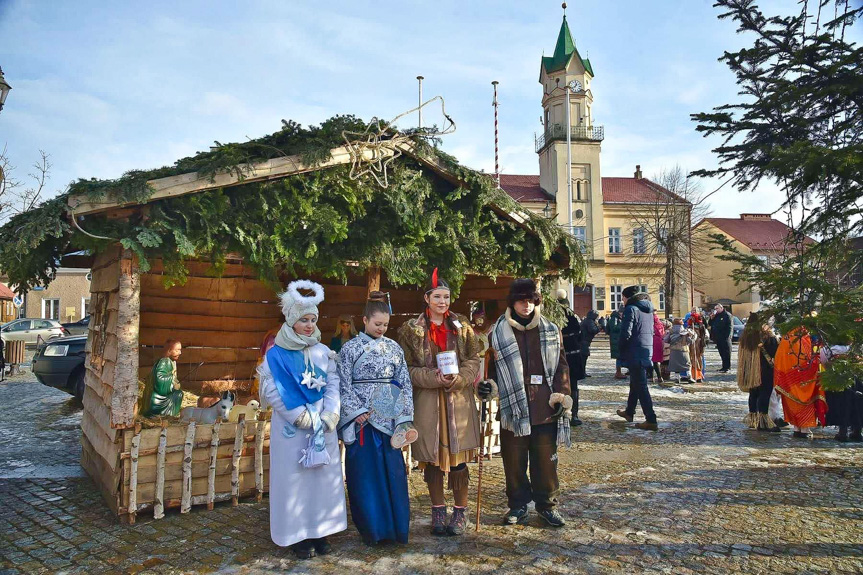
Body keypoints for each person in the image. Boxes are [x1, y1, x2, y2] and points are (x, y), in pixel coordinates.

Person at [256, 280, 346, 559]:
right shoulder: (276, 356)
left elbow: (333, 382)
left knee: (321, 480)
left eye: (313, 320)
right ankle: (297, 535)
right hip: (293, 429)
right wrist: (298, 416)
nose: (309, 325)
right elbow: (272, 389)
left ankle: (321, 530)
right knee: (295, 481)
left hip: (322, 426)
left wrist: (332, 412)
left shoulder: (322, 352)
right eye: (303, 320)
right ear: (291, 320)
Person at [396, 268, 482, 537]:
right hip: (429, 402)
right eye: (437, 297)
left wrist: (460, 379)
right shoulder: (411, 330)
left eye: (446, 297)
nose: (442, 302)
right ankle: (437, 510)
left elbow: (473, 359)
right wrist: (432, 378)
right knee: (432, 459)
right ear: (427, 298)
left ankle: (459, 511)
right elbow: (406, 368)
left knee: (457, 459)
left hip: (458, 401)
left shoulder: (463, 327)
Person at [482, 279, 572, 528]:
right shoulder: (497, 333)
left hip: (545, 408)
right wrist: (488, 387)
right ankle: (517, 505)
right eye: (522, 300)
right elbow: (490, 370)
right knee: (514, 461)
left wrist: (563, 394)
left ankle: (547, 505)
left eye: (531, 300)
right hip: (512, 408)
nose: (527, 305)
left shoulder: (551, 329)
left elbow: (562, 366)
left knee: (546, 462)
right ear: (513, 302)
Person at [338, 292, 415, 545]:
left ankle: (396, 529)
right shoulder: (349, 349)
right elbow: (342, 384)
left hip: (389, 419)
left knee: (393, 474)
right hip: (362, 423)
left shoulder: (394, 348)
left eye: (385, 325)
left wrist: (404, 418)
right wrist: (356, 412)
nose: (381, 329)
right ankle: (372, 530)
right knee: (364, 476)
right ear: (364, 320)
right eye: (376, 324)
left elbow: (404, 382)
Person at [615, 286, 658, 430]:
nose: (622, 300)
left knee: (641, 386)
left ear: (628, 298)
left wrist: (620, 349)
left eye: (622, 297)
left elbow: (625, 333)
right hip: (646, 351)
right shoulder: (648, 310)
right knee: (635, 383)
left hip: (635, 352)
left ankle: (651, 419)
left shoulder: (631, 309)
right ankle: (629, 412)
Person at [773, 328, 826, 438]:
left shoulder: (785, 340)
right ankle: (804, 429)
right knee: (805, 405)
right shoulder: (805, 340)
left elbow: (779, 360)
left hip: (788, 382)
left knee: (792, 405)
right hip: (803, 381)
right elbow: (809, 361)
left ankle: (797, 428)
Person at [736, 313, 780, 431]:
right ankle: (763, 422)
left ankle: (753, 420)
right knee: (764, 394)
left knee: (753, 394)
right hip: (765, 370)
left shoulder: (746, 337)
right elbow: (775, 353)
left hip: (750, 370)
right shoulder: (768, 337)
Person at [821, 344, 862, 443]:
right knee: (857, 404)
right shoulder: (858, 346)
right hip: (856, 378)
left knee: (842, 405)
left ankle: (842, 432)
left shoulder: (829, 348)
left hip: (838, 379)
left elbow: (824, 362)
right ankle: (857, 431)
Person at [557, 289, 584, 426]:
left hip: (560, 355)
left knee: (560, 385)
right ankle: (574, 414)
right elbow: (580, 336)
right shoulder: (573, 316)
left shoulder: (554, 317)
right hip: (573, 355)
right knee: (573, 386)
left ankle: (564, 413)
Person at [140, 339, 185, 417]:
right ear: (170, 350)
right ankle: (166, 415)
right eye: (177, 350)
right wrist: (172, 380)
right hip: (157, 399)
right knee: (178, 395)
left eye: (180, 350)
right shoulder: (164, 361)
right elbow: (159, 380)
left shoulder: (170, 361)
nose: (180, 353)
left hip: (160, 396)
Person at [665, 319, 696, 384]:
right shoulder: (685, 332)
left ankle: (677, 378)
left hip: (674, 351)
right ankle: (689, 377)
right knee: (687, 364)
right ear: (681, 324)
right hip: (683, 350)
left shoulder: (671, 331)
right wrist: (694, 336)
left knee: (676, 366)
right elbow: (691, 341)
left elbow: (666, 340)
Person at [711, 305, 733, 372]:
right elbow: (711, 324)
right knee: (721, 353)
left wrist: (727, 336)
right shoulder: (716, 315)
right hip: (718, 337)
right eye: (715, 309)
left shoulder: (727, 315)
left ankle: (727, 367)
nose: (716, 310)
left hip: (725, 337)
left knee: (726, 353)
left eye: (717, 308)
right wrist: (712, 318)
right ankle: (723, 367)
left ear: (721, 308)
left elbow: (730, 327)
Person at [580, 310, 601, 379]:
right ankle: (582, 373)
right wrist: (599, 327)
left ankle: (582, 372)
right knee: (583, 357)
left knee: (583, 357)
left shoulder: (587, 320)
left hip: (583, 341)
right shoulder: (589, 321)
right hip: (584, 341)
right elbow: (593, 330)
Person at [607, 309, 626, 379]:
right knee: (619, 356)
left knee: (620, 356)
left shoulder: (616, 318)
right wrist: (622, 324)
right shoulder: (614, 318)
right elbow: (613, 328)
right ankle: (618, 372)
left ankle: (620, 371)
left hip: (616, 339)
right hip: (616, 340)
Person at [651, 313, 665, 383]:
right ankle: (660, 377)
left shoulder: (651, 324)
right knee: (656, 361)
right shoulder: (660, 324)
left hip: (652, 342)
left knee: (651, 360)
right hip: (659, 342)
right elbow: (663, 334)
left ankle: (651, 377)